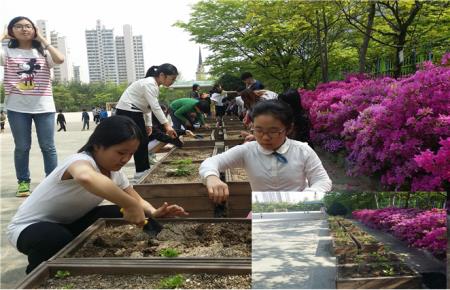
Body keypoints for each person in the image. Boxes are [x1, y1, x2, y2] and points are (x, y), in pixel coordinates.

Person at [6, 115, 188, 274]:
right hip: (30, 229)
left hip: (68, 224)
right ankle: (37, 274)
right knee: (55, 238)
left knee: (117, 210)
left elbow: (136, 199)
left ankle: (163, 243)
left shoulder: (115, 172)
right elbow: (86, 177)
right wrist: (130, 205)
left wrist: (153, 212)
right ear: (97, 146)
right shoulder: (80, 161)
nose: (125, 159)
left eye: (131, 154)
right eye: (120, 152)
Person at [199, 100, 332, 203]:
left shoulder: (302, 151)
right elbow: (211, 162)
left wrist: (306, 197)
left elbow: (322, 180)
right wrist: (212, 177)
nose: (265, 137)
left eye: (273, 131)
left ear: (288, 128)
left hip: (300, 208)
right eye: (259, 130)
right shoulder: (248, 151)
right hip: (264, 211)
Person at [1, 16, 65, 197]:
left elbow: (60, 59)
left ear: (34, 30)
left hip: (43, 106)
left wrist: (43, 39)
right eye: (18, 26)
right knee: (22, 146)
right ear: (11, 31)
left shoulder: (43, 53)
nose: (24, 29)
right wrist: (3, 36)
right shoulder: (7, 53)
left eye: (28, 26)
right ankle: (23, 182)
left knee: (48, 146)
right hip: (17, 107)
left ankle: (52, 182)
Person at [116, 64, 178, 180]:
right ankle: (140, 171)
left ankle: (142, 169)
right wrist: (167, 126)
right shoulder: (149, 84)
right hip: (128, 110)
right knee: (139, 141)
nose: (173, 82)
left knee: (141, 141)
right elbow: (155, 107)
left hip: (134, 111)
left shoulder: (153, 85)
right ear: (162, 75)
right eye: (172, 79)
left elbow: (148, 107)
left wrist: (148, 124)